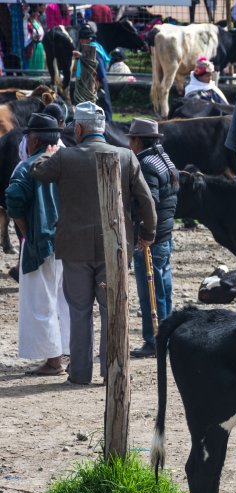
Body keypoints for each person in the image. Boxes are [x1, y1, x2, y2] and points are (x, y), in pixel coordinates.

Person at [30, 102, 156, 386]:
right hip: (115, 246)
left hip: (74, 248)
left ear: (78, 128)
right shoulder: (126, 156)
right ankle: (110, 370)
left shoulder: (65, 158)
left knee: (79, 312)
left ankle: (80, 372)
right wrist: (148, 233)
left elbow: (37, 171)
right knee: (113, 311)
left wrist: (46, 154)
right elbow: (146, 200)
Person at [5, 113, 70, 376]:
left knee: (40, 301)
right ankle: (67, 354)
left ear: (33, 140)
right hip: (70, 242)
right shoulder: (69, 163)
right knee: (66, 301)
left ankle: (54, 361)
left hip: (40, 243)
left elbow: (13, 200)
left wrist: (25, 232)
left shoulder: (27, 166)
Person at [126, 119, 177, 359]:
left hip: (152, 238)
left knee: (150, 293)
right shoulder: (164, 158)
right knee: (163, 288)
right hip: (166, 234)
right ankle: (165, 336)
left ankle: (153, 340)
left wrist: (145, 234)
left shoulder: (145, 163)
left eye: (130, 139)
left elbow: (150, 202)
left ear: (137, 141)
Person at [24, 5, 45, 72]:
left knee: (40, 61)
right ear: (32, 13)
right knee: (33, 62)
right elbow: (27, 35)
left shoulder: (38, 22)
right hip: (33, 46)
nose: (38, 14)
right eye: (36, 12)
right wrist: (34, 37)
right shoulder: (29, 23)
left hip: (40, 45)